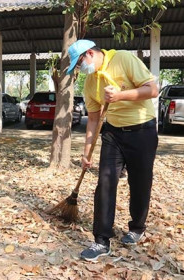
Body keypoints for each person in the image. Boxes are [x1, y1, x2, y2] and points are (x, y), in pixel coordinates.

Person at [66, 40, 158, 261]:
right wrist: (86, 152)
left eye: (80, 64)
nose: (81, 69)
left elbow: (152, 90)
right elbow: (94, 119)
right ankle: (101, 240)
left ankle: (137, 227)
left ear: (89, 53)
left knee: (140, 182)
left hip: (142, 130)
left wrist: (119, 96)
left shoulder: (123, 59)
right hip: (113, 134)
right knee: (105, 182)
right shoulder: (90, 83)